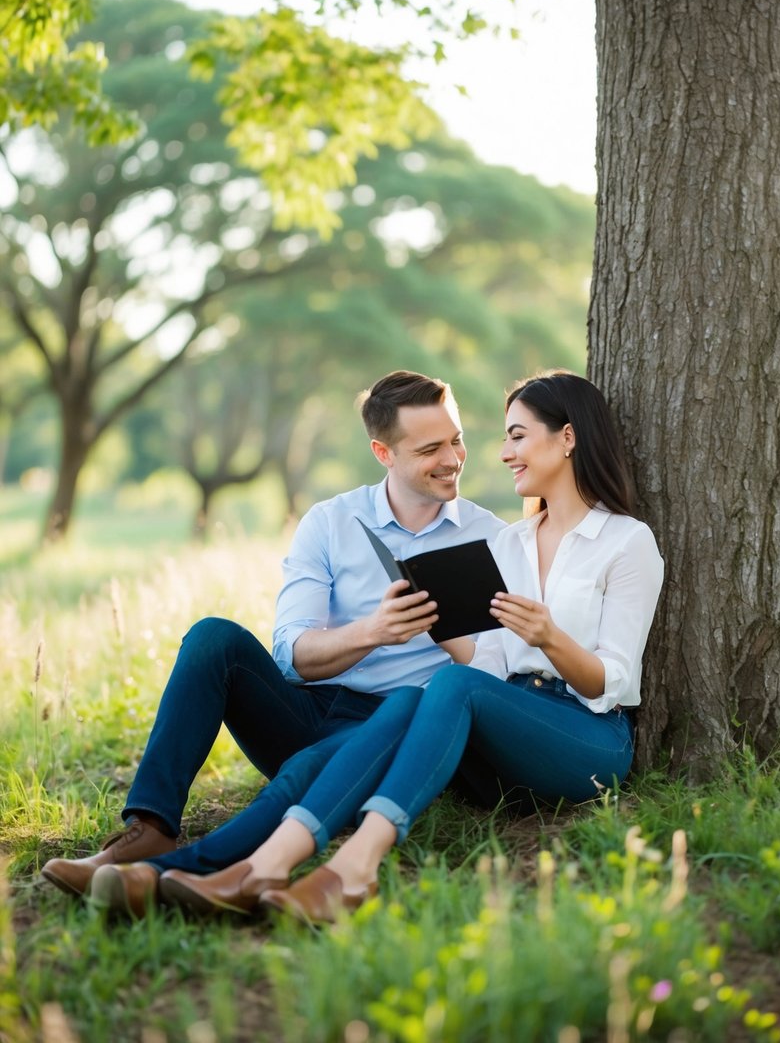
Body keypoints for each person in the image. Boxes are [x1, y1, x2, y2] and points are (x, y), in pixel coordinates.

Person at [89, 370, 664, 922]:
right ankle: (212, 863)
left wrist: (549, 639)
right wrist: (410, 623)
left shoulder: (610, 540)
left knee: (434, 690)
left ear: (567, 438)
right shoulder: (506, 543)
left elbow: (614, 682)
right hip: (415, 712)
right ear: (384, 453)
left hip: (578, 727)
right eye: (432, 447)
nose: (487, 454)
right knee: (383, 691)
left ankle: (335, 867)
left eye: (505, 437)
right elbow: (485, 663)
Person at [41, 370, 504, 900]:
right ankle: (151, 829)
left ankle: (185, 876)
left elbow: (496, 669)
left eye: (457, 439)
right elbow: (291, 655)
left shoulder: (489, 535)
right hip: (310, 707)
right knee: (213, 638)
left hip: (400, 726)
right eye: (430, 448)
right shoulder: (330, 522)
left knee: (308, 766)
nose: (452, 458)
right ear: (384, 453)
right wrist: (372, 632)